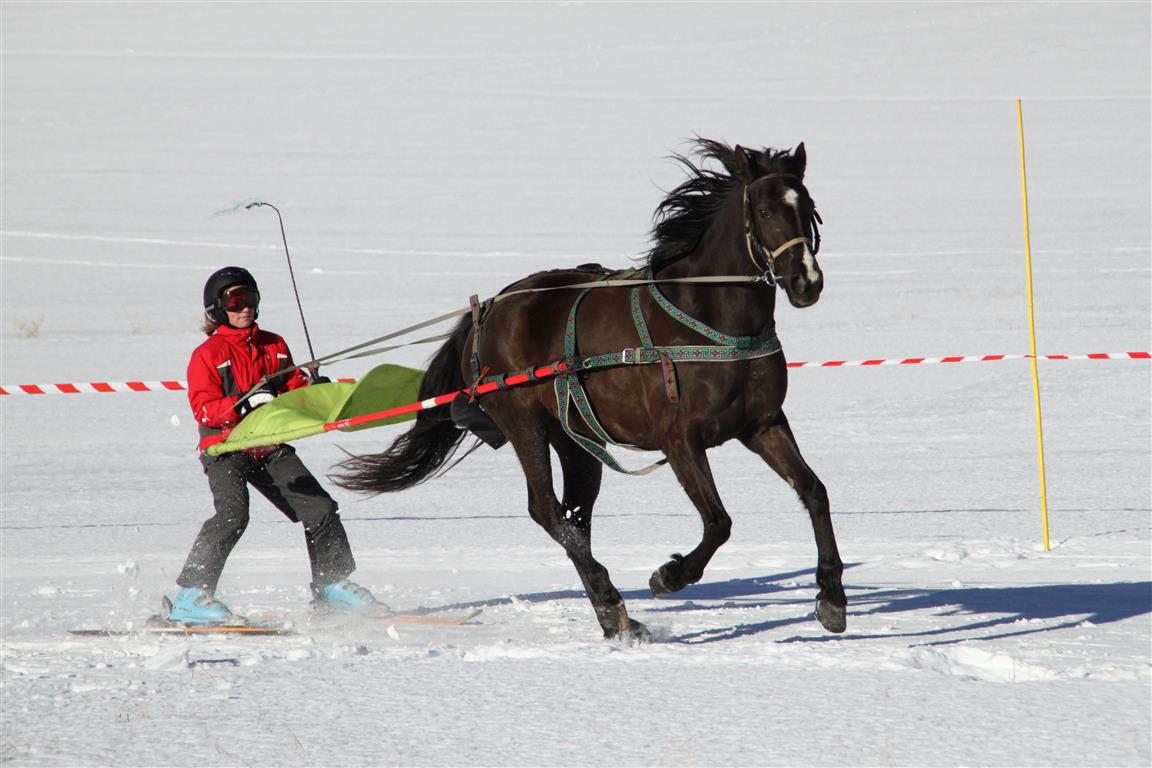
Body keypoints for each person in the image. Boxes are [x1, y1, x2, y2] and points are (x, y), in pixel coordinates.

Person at [166, 266, 383, 624]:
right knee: (232, 515)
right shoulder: (207, 354)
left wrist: (314, 389)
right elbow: (203, 409)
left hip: (268, 446)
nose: (245, 307)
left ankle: (331, 586)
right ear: (217, 308)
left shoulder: (274, 344)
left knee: (321, 508)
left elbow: (292, 389)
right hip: (225, 447)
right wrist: (243, 404)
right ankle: (190, 597)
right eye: (236, 301)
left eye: (251, 299)